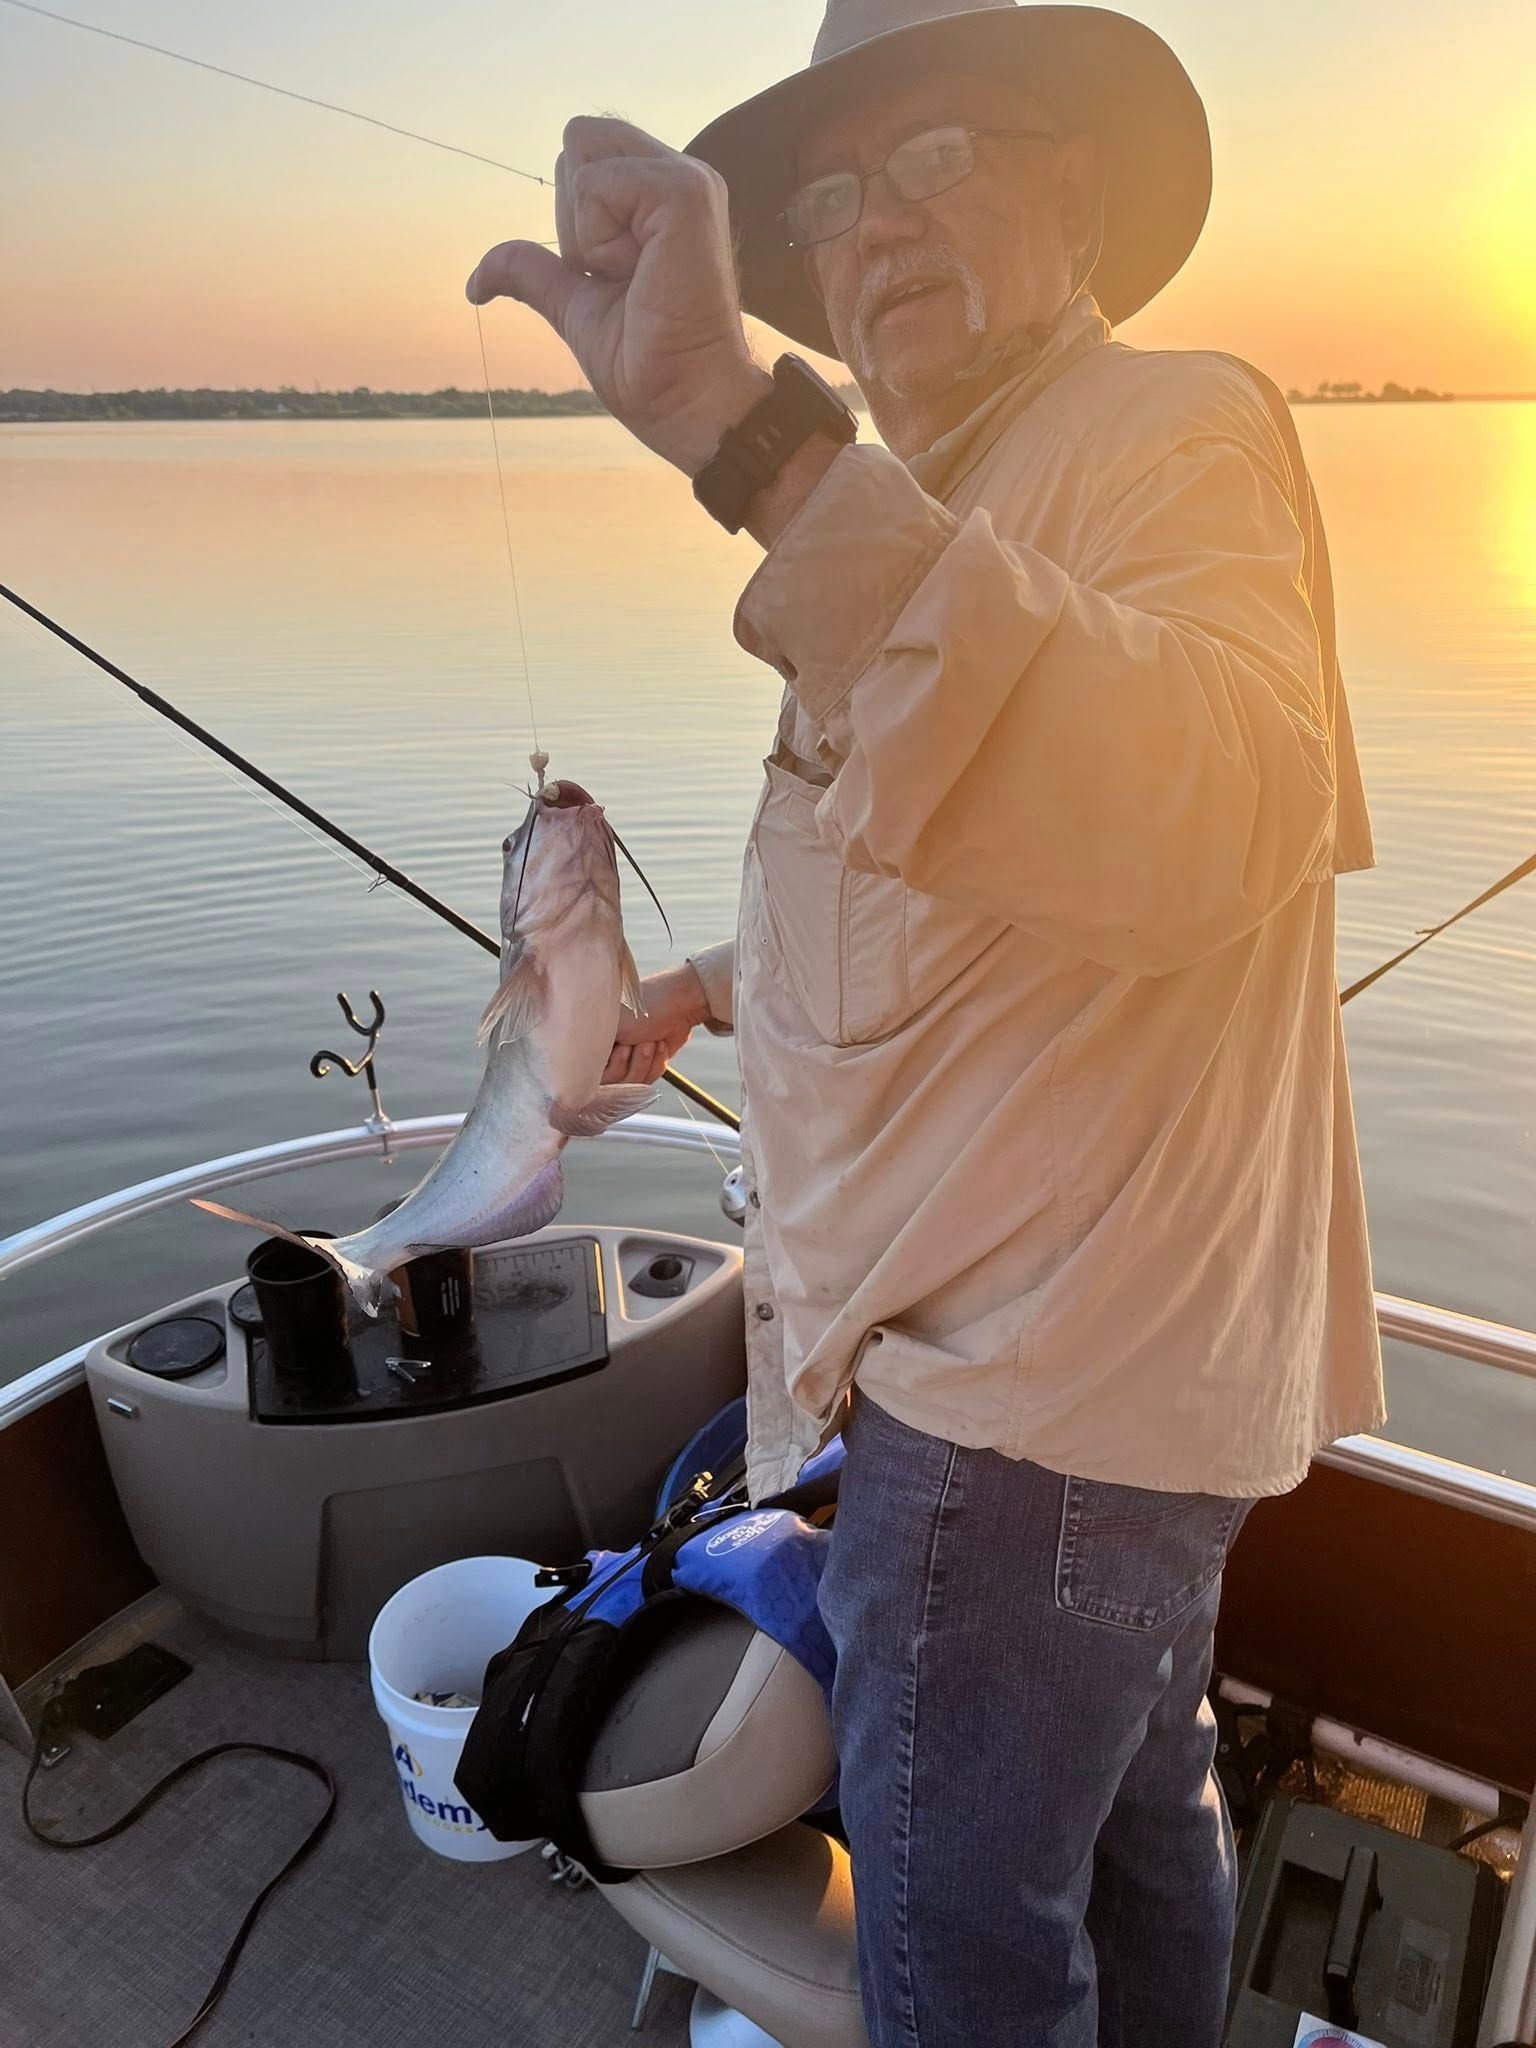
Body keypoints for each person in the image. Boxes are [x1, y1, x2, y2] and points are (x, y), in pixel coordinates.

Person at [467, 2, 1382, 2040]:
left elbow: (1207, 802)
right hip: (1104, 1400)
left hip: (1021, 1411)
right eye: (835, 197)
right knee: (1145, 1819)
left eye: (942, 156)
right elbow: (945, 868)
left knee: (957, 1947)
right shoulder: (927, 502)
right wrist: (708, 987)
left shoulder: (1171, 427)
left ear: (1077, 189)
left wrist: (750, 433)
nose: (878, 227)